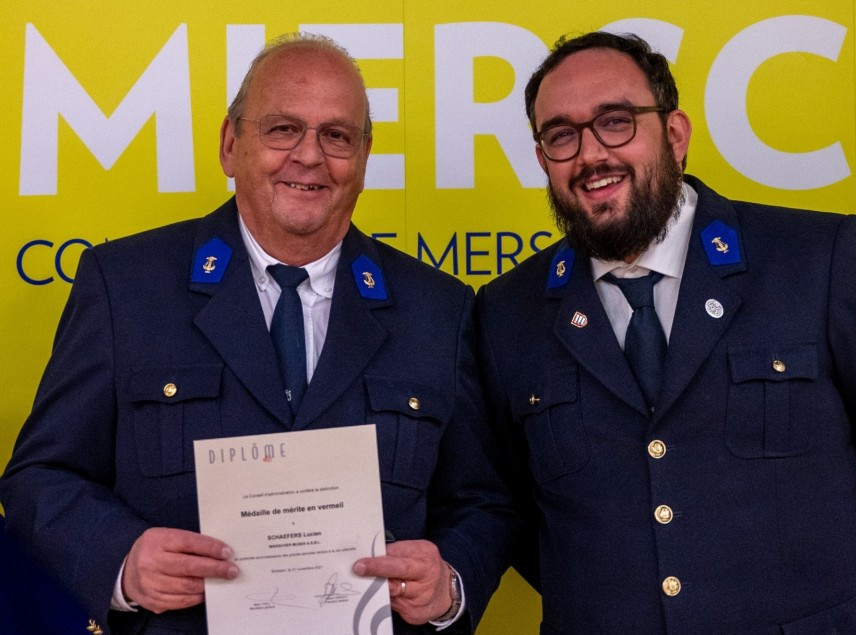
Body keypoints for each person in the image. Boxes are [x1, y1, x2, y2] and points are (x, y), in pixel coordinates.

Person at [0, 33, 516, 635]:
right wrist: (123, 561)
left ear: (363, 157)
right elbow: (40, 476)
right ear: (230, 144)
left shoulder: (438, 310)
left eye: (337, 136)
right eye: (282, 129)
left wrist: (449, 583)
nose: (309, 156)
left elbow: (483, 501)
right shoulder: (125, 287)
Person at [476, 31, 856, 633]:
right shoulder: (508, 312)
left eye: (616, 122)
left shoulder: (817, 259)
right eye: (561, 136)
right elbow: (505, 509)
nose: (591, 154)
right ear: (543, 158)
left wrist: (830, 584)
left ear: (675, 135)